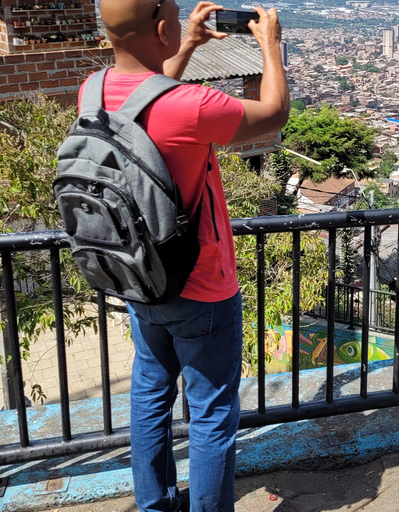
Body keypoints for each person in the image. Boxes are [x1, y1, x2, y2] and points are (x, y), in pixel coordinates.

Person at [91, 1, 289, 511]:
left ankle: (155, 504)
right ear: (161, 28)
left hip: (137, 273)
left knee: (150, 395)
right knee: (211, 414)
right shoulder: (192, 105)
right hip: (200, 282)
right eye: (177, 19)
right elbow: (273, 114)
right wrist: (270, 45)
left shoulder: (91, 92)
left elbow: (146, 102)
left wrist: (189, 46)